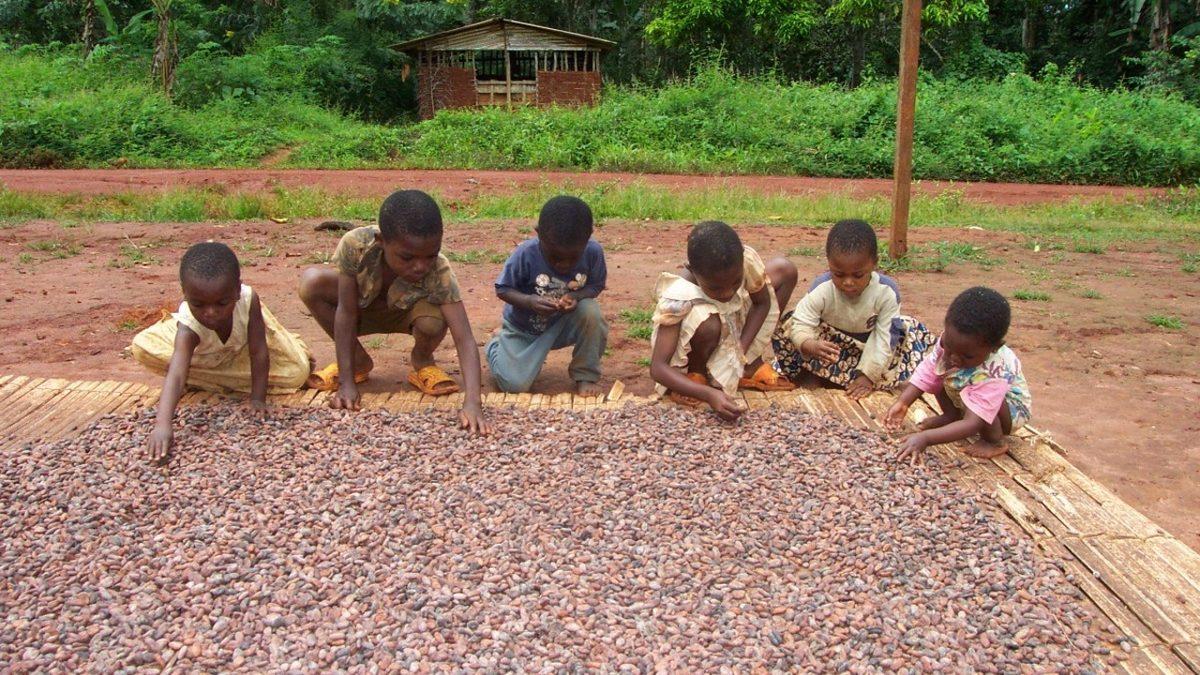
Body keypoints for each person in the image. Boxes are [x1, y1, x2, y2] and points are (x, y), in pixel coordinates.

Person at [298, 189, 489, 434]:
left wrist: (473, 403)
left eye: (429, 256)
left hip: (406, 314)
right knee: (311, 283)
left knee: (434, 321)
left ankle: (422, 361)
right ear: (381, 242)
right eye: (407, 257)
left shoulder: (439, 268)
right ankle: (356, 362)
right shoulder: (355, 245)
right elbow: (345, 311)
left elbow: (464, 339)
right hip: (362, 309)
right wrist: (346, 383)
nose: (420, 266)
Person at [131, 241, 313, 464]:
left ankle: (210, 373)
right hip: (203, 352)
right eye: (198, 304)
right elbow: (177, 374)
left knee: (298, 372)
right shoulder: (190, 325)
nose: (210, 313)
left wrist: (257, 399)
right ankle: (192, 349)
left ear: (237, 290)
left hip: (240, 349)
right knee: (141, 347)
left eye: (222, 303)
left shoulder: (248, 300)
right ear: (185, 294)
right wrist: (162, 425)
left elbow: (258, 352)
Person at [649, 220, 798, 421]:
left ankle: (747, 366)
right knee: (709, 323)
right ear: (692, 270)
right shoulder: (678, 295)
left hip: (734, 326)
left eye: (736, 282)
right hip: (703, 338)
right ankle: (697, 376)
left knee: (785, 270)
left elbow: (762, 303)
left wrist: (740, 352)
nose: (728, 292)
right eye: (716, 288)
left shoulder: (743, 263)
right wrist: (708, 395)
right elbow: (658, 368)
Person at [773, 219, 936, 399]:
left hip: (871, 349)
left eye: (858, 275)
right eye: (839, 274)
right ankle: (813, 375)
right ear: (829, 264)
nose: (848, 282)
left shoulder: (886, 292)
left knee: (904, 330)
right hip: (830, 352)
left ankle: (854, 378)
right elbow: (802, 321)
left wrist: (868, 376)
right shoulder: (822, 288)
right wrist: (808, 344)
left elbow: (884, 339)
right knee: (789, 322)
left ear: (874, 263)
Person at [886, 286, 1032, 461]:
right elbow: (928, 371)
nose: (954, 358)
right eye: (949, 348)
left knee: (978, 393)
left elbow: (973, 424)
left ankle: (995, 441)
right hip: (970, 388)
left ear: (994, 347)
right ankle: (951, 416)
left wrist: (926, 439)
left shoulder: (995, 370)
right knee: (940, 369)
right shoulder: (953, 342)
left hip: (1009, 410)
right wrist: (904, 402)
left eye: (966, 356)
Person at [487, 196, 609, 396]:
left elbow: (596, 285)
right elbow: (503, 289)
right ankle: (496, 345)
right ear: (538, 233)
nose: (564, 265)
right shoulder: (526, 253)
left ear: (588, 237)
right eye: (555, 257)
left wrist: (576, 297)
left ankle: (585, 373)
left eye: (573, 258)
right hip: (524, 329)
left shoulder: (593, 252)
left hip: (563, 325)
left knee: (591, 312)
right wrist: (529, 301)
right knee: (514, 386)